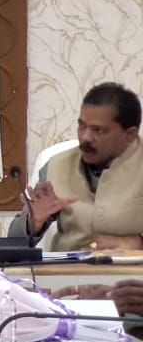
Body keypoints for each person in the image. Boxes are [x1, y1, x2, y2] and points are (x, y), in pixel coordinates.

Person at [8, 82, 143, 250]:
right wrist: (34, 220)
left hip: (134, 266)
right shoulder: (57, 165)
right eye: (82, 126)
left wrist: (138, 244)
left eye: (98, 130)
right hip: (68, 265)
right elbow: (13, 243)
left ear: (129, 135)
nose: (85, 137)